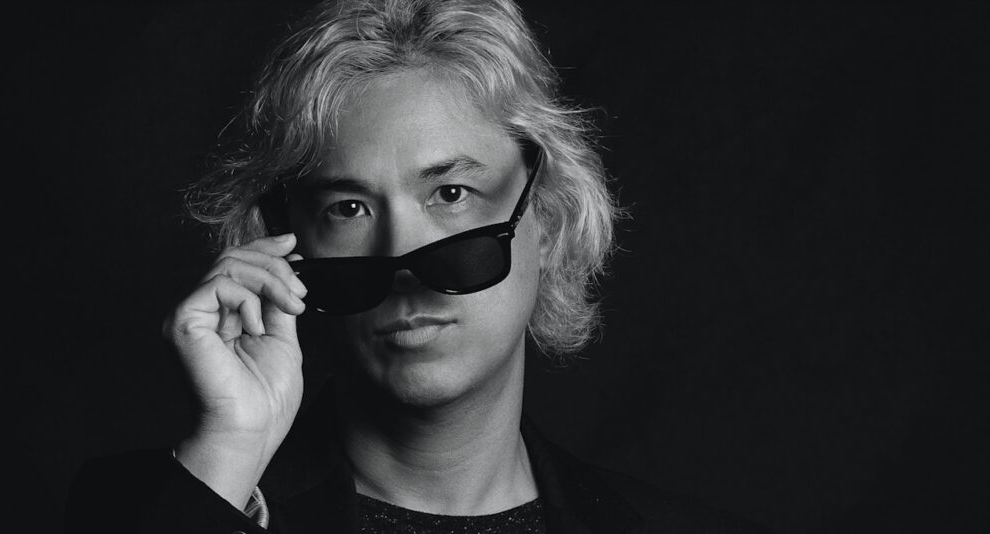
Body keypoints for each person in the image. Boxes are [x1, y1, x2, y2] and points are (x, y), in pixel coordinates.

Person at [66, 0, 765, 532]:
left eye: (451, 194)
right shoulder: (169, 502)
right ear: (288, 245)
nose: (403, 264)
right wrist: (229, 454)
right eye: (348, 208)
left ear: (547, 221)